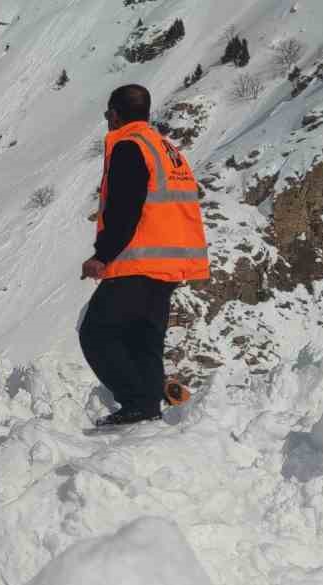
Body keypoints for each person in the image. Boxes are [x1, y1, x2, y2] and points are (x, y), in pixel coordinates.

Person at [79, 83, 210, 427]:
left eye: (108, 113)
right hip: (168, 267)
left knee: (96, 332)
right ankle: (149, 408)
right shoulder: (166, 150)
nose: (107, 120)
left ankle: (138, 402)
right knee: (143, 341)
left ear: (115, 113)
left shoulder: (129, 147)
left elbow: (125, 208)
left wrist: (102, 255)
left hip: (138, 261)